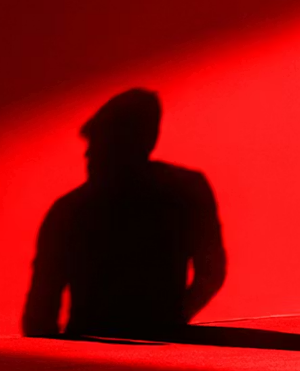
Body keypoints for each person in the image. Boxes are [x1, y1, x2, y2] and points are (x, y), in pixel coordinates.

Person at [22, 88, 226, 338]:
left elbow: (39, 312)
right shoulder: (187, 190)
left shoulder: (69, 211)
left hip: (88, 348)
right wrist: (171, 320)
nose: (88, 153)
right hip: (163, 343)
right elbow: (212, 273)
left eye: (99, 143)